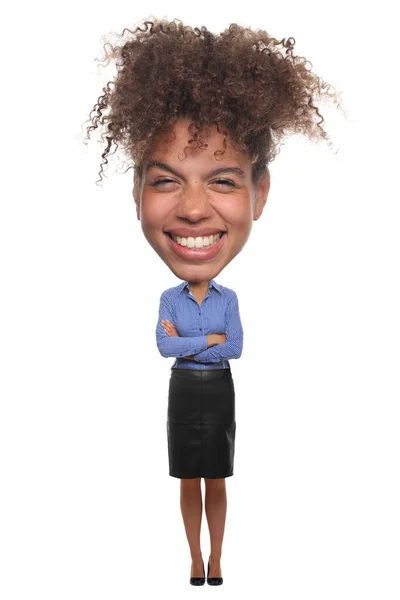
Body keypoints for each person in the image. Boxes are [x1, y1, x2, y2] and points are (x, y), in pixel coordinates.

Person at [83, 18, 343, 585]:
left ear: (260, 193)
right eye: (167, 180)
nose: (195, 210)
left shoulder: (227, 300)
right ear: (136, 192)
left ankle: (217, 559)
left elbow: (236, 346)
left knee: (218, 477)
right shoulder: (168, 299)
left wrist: (189, 343)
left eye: (223, 181)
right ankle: (192, 560)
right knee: (186, 479)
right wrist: (209, 342)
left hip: (218, 390)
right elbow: (163, 345)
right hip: (184, 388)